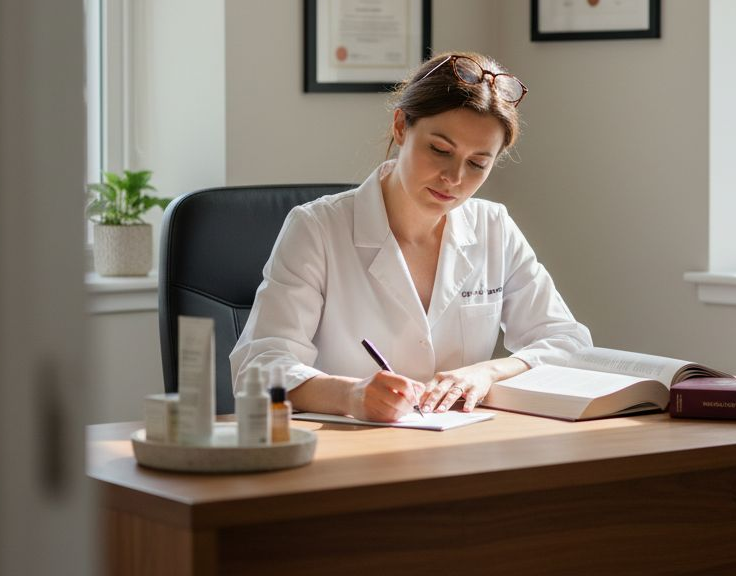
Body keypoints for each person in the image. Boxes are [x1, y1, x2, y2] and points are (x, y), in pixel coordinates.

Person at [229, 51, 592, 422]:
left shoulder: (493, 226)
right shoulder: (317, 228)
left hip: (461, 441)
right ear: (401, 126)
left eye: (477, 164)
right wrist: (351, 395)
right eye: (440, 150)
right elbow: (258, 367)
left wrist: (487, 372)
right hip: (349, 442)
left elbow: (568, 342)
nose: (454, 178)